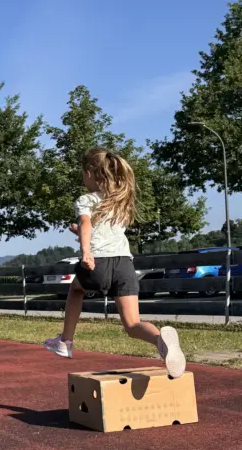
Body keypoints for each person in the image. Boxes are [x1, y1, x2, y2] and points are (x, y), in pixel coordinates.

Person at [43, 147, 186, 378]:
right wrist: (81, 234)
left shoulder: (86, 200)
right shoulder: (120, 200)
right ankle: (161, 341)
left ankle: (65, 341)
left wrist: (86, 250)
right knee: (132, 324)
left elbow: (87, 224)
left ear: (89, 173)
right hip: (124, 265)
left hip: (99, 262)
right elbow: (103, 231)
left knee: (76, 290)